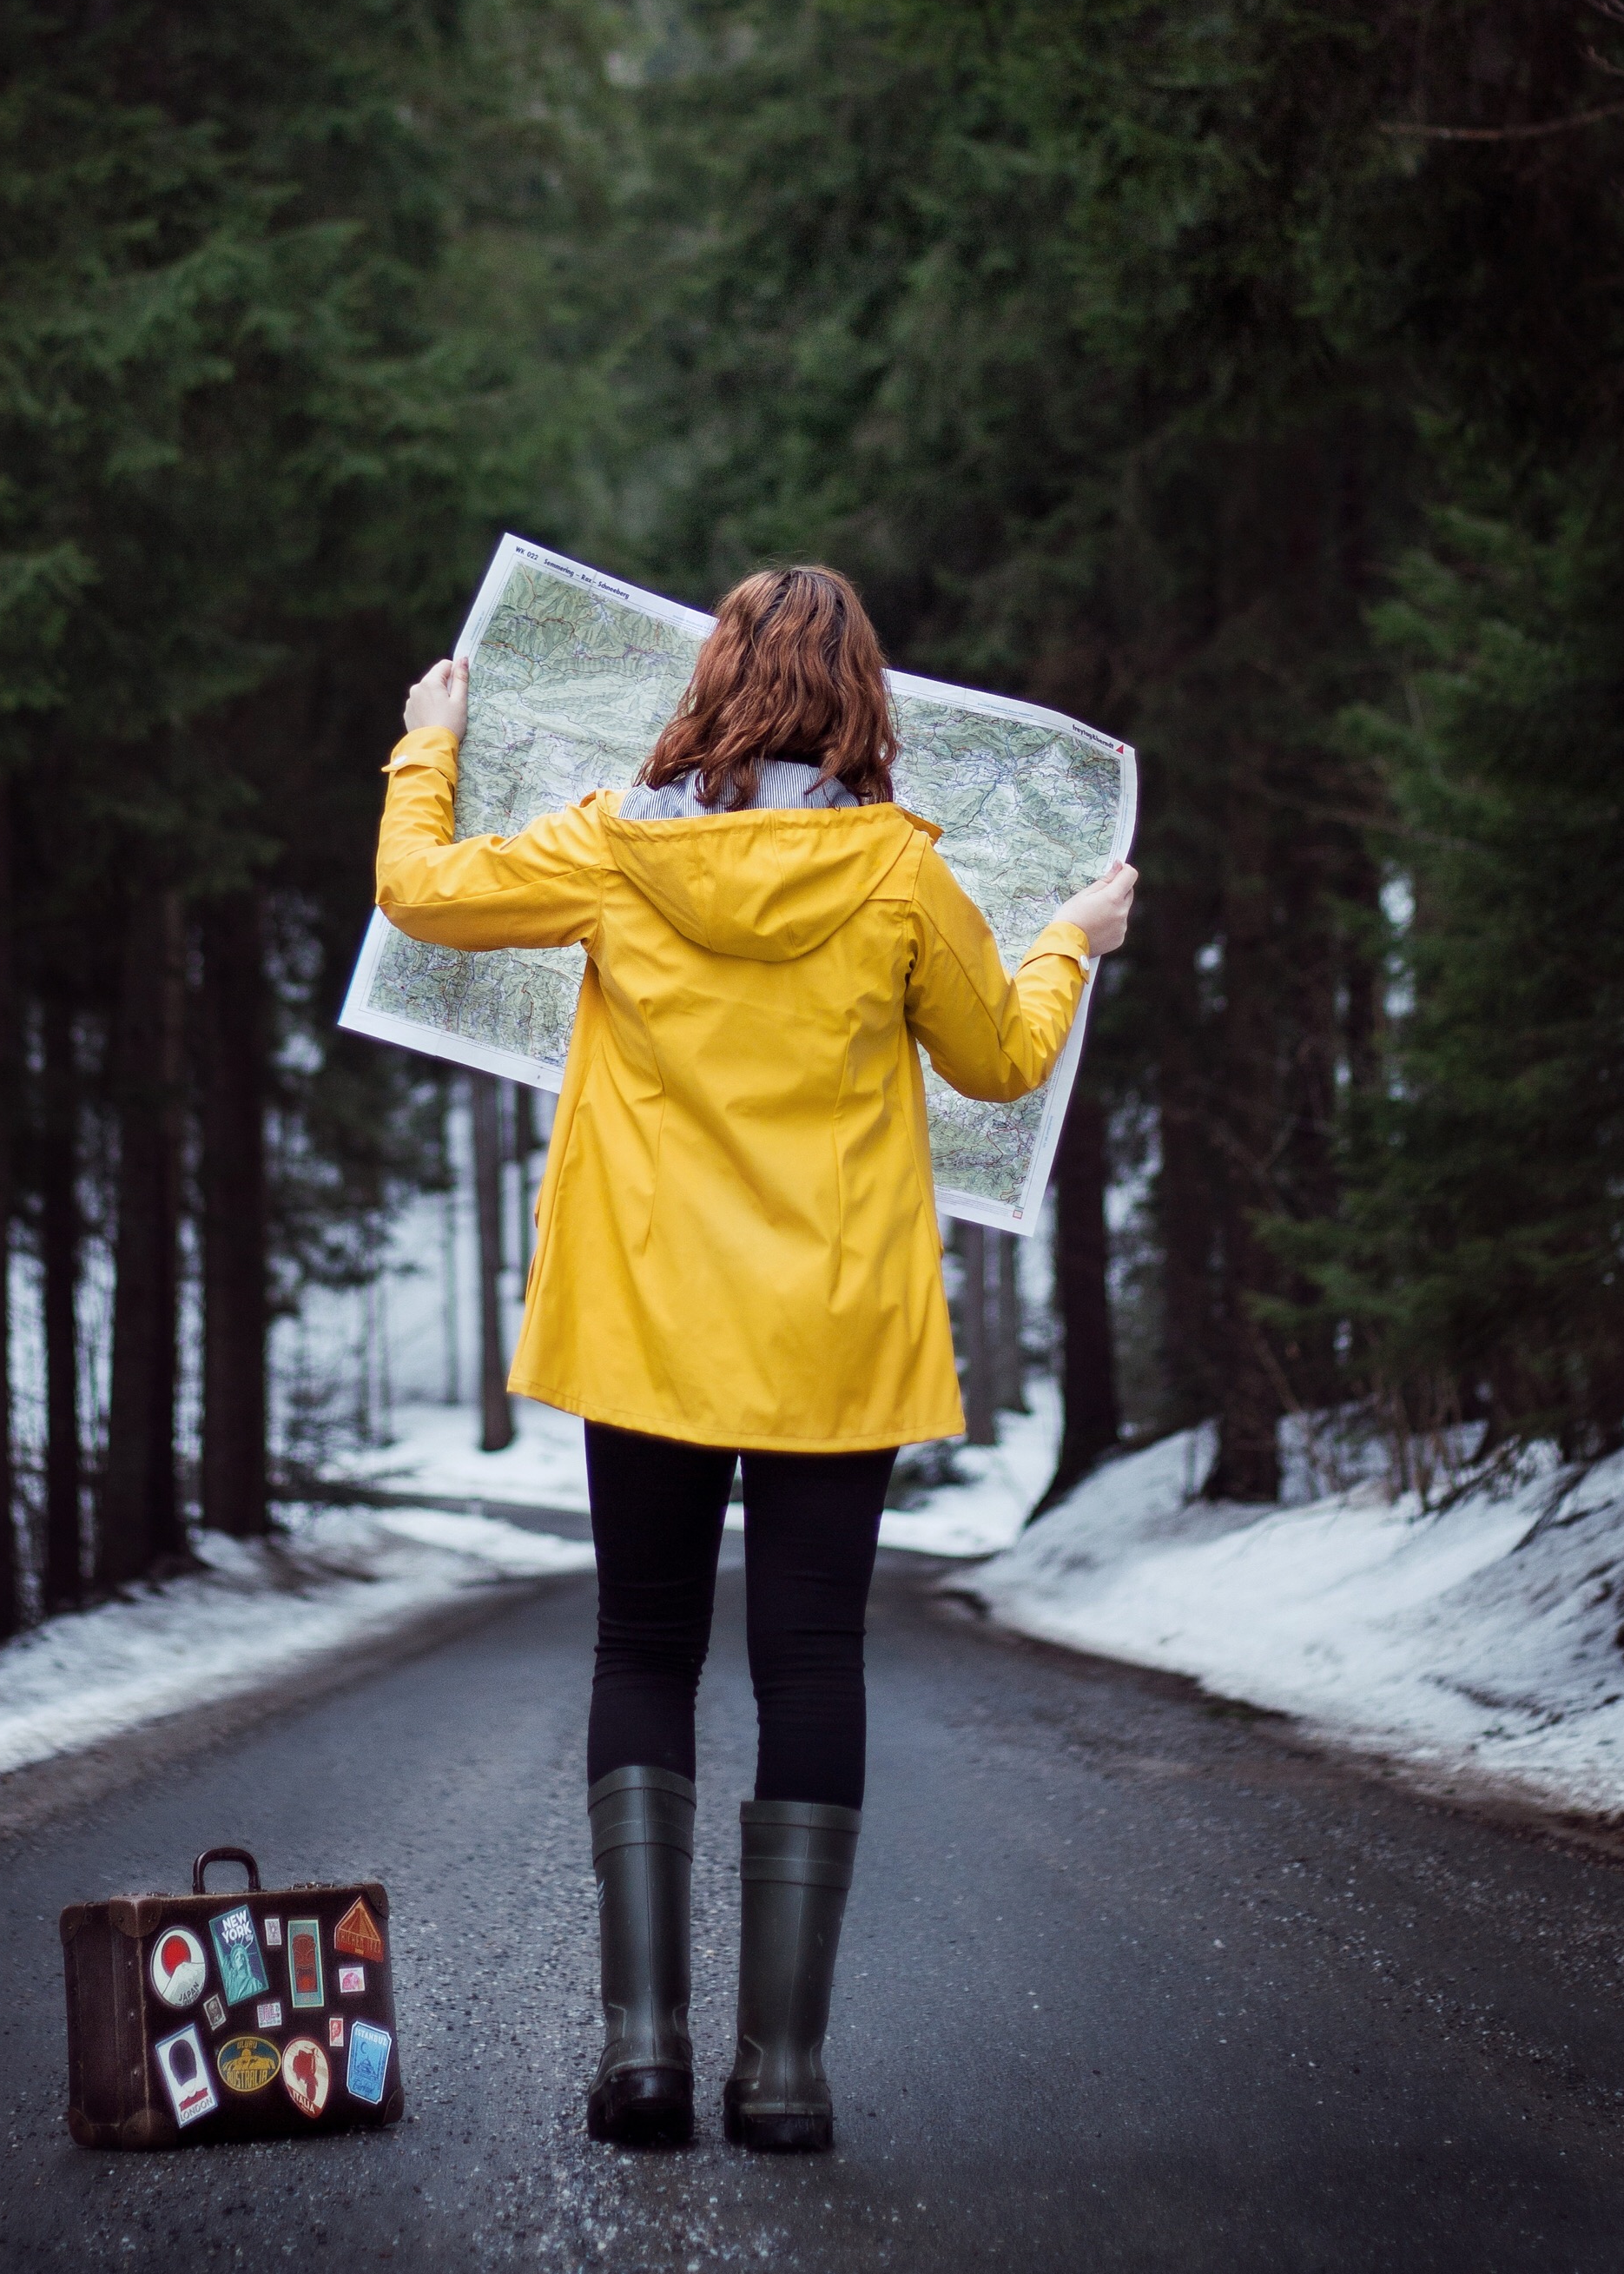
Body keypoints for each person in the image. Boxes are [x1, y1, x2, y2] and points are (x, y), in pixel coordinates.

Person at [375, 565, 1136, 2153]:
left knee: (642, 1651)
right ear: (866, 701)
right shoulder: (897, 876)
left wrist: (426, 739)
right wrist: (1068, 939)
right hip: (831, 1335)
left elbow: (420, 892)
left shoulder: (607, 845)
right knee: (809, 1665)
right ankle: (781, 2076)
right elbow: (998, 1064)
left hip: (646, 1315)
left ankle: (641, 2059)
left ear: (711, 683)